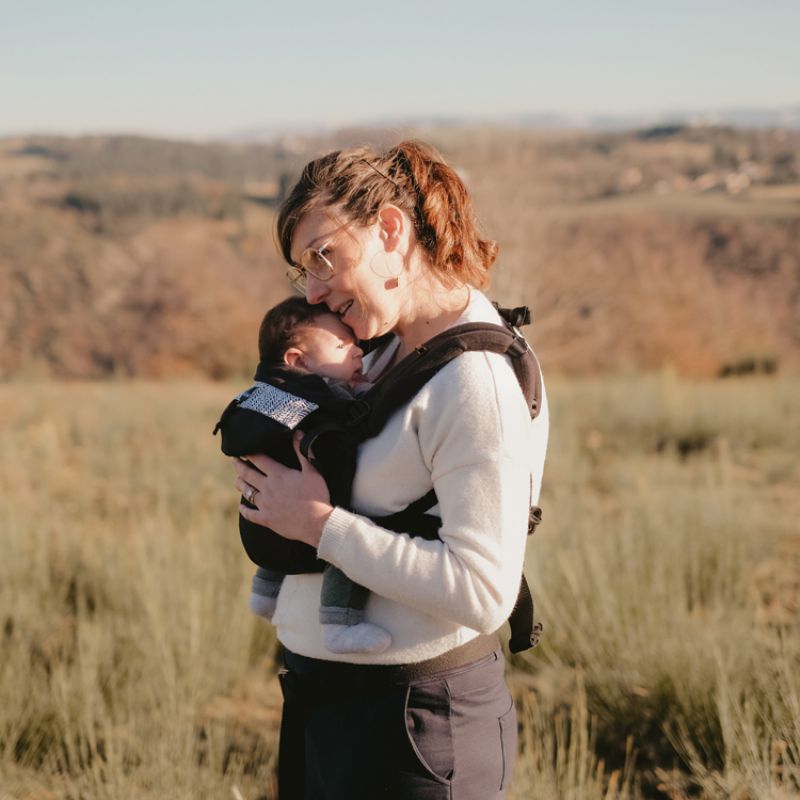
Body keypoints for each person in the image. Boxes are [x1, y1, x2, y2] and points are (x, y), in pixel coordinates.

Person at [232, 140, 549, 799]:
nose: (313, 288)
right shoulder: (381, 349)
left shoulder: (475, 382)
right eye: (303, 270)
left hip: (415, 730)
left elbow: (484, 590)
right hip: (331, 709)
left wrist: (315, 524)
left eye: (325, 255)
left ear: (391, 230)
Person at [216, 295, 393, 654]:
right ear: (298, 360)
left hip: (260, 527)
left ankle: (265, 593)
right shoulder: (318, 398)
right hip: (309, 527)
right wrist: (367, 396)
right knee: (349, 533)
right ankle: (340, 623)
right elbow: (351, 423)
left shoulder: (265, 396)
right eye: (343, 344)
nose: (358, 352)